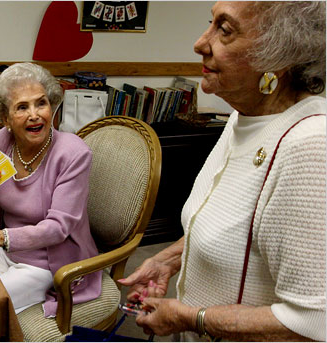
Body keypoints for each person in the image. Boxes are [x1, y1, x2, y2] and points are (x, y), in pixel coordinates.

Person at [119, 2, 325, 341]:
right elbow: (235, 227)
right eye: (210, 24)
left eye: (225, 30)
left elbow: (314, 322)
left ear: (280, 56)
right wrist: (169, 260)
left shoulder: (310, 147)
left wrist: (190, 318)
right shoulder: (241, 117)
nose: (200, 43)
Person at [0, 62, 101, 318]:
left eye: (41, 103)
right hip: (4, 248)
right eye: (22, 107)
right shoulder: (2, 140)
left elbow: (58, 228)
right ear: (6, 119)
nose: (35, 114)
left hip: (47, 262)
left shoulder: (73, 153)